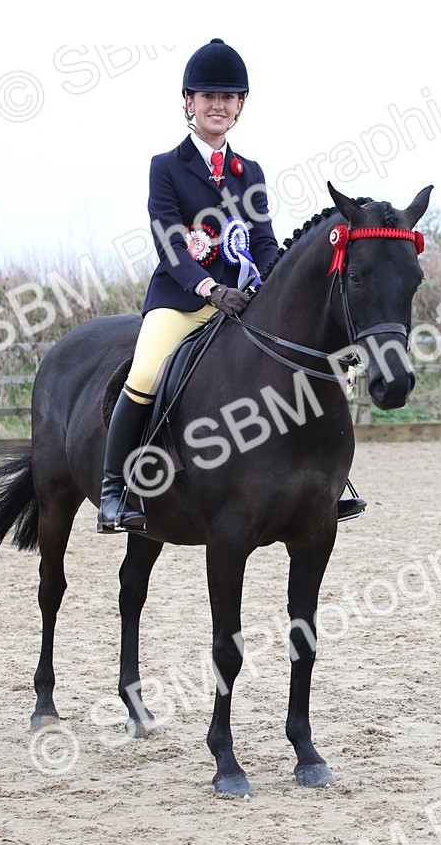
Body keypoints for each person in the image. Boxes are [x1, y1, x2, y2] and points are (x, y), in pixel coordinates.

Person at [97, 37, 367, 533]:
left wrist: (271, 287)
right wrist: (207, 288)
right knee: (146, 373)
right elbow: (170, 243)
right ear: (188, 103)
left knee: (309, 365)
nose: (217, 105)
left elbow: (263, 242)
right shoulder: (166, 167)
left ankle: (330, 484)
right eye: (207, 96)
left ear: (240, 106)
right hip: (183, 300)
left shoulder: (251, 172)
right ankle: (118, 490)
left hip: (244, 302)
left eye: (228, 97)